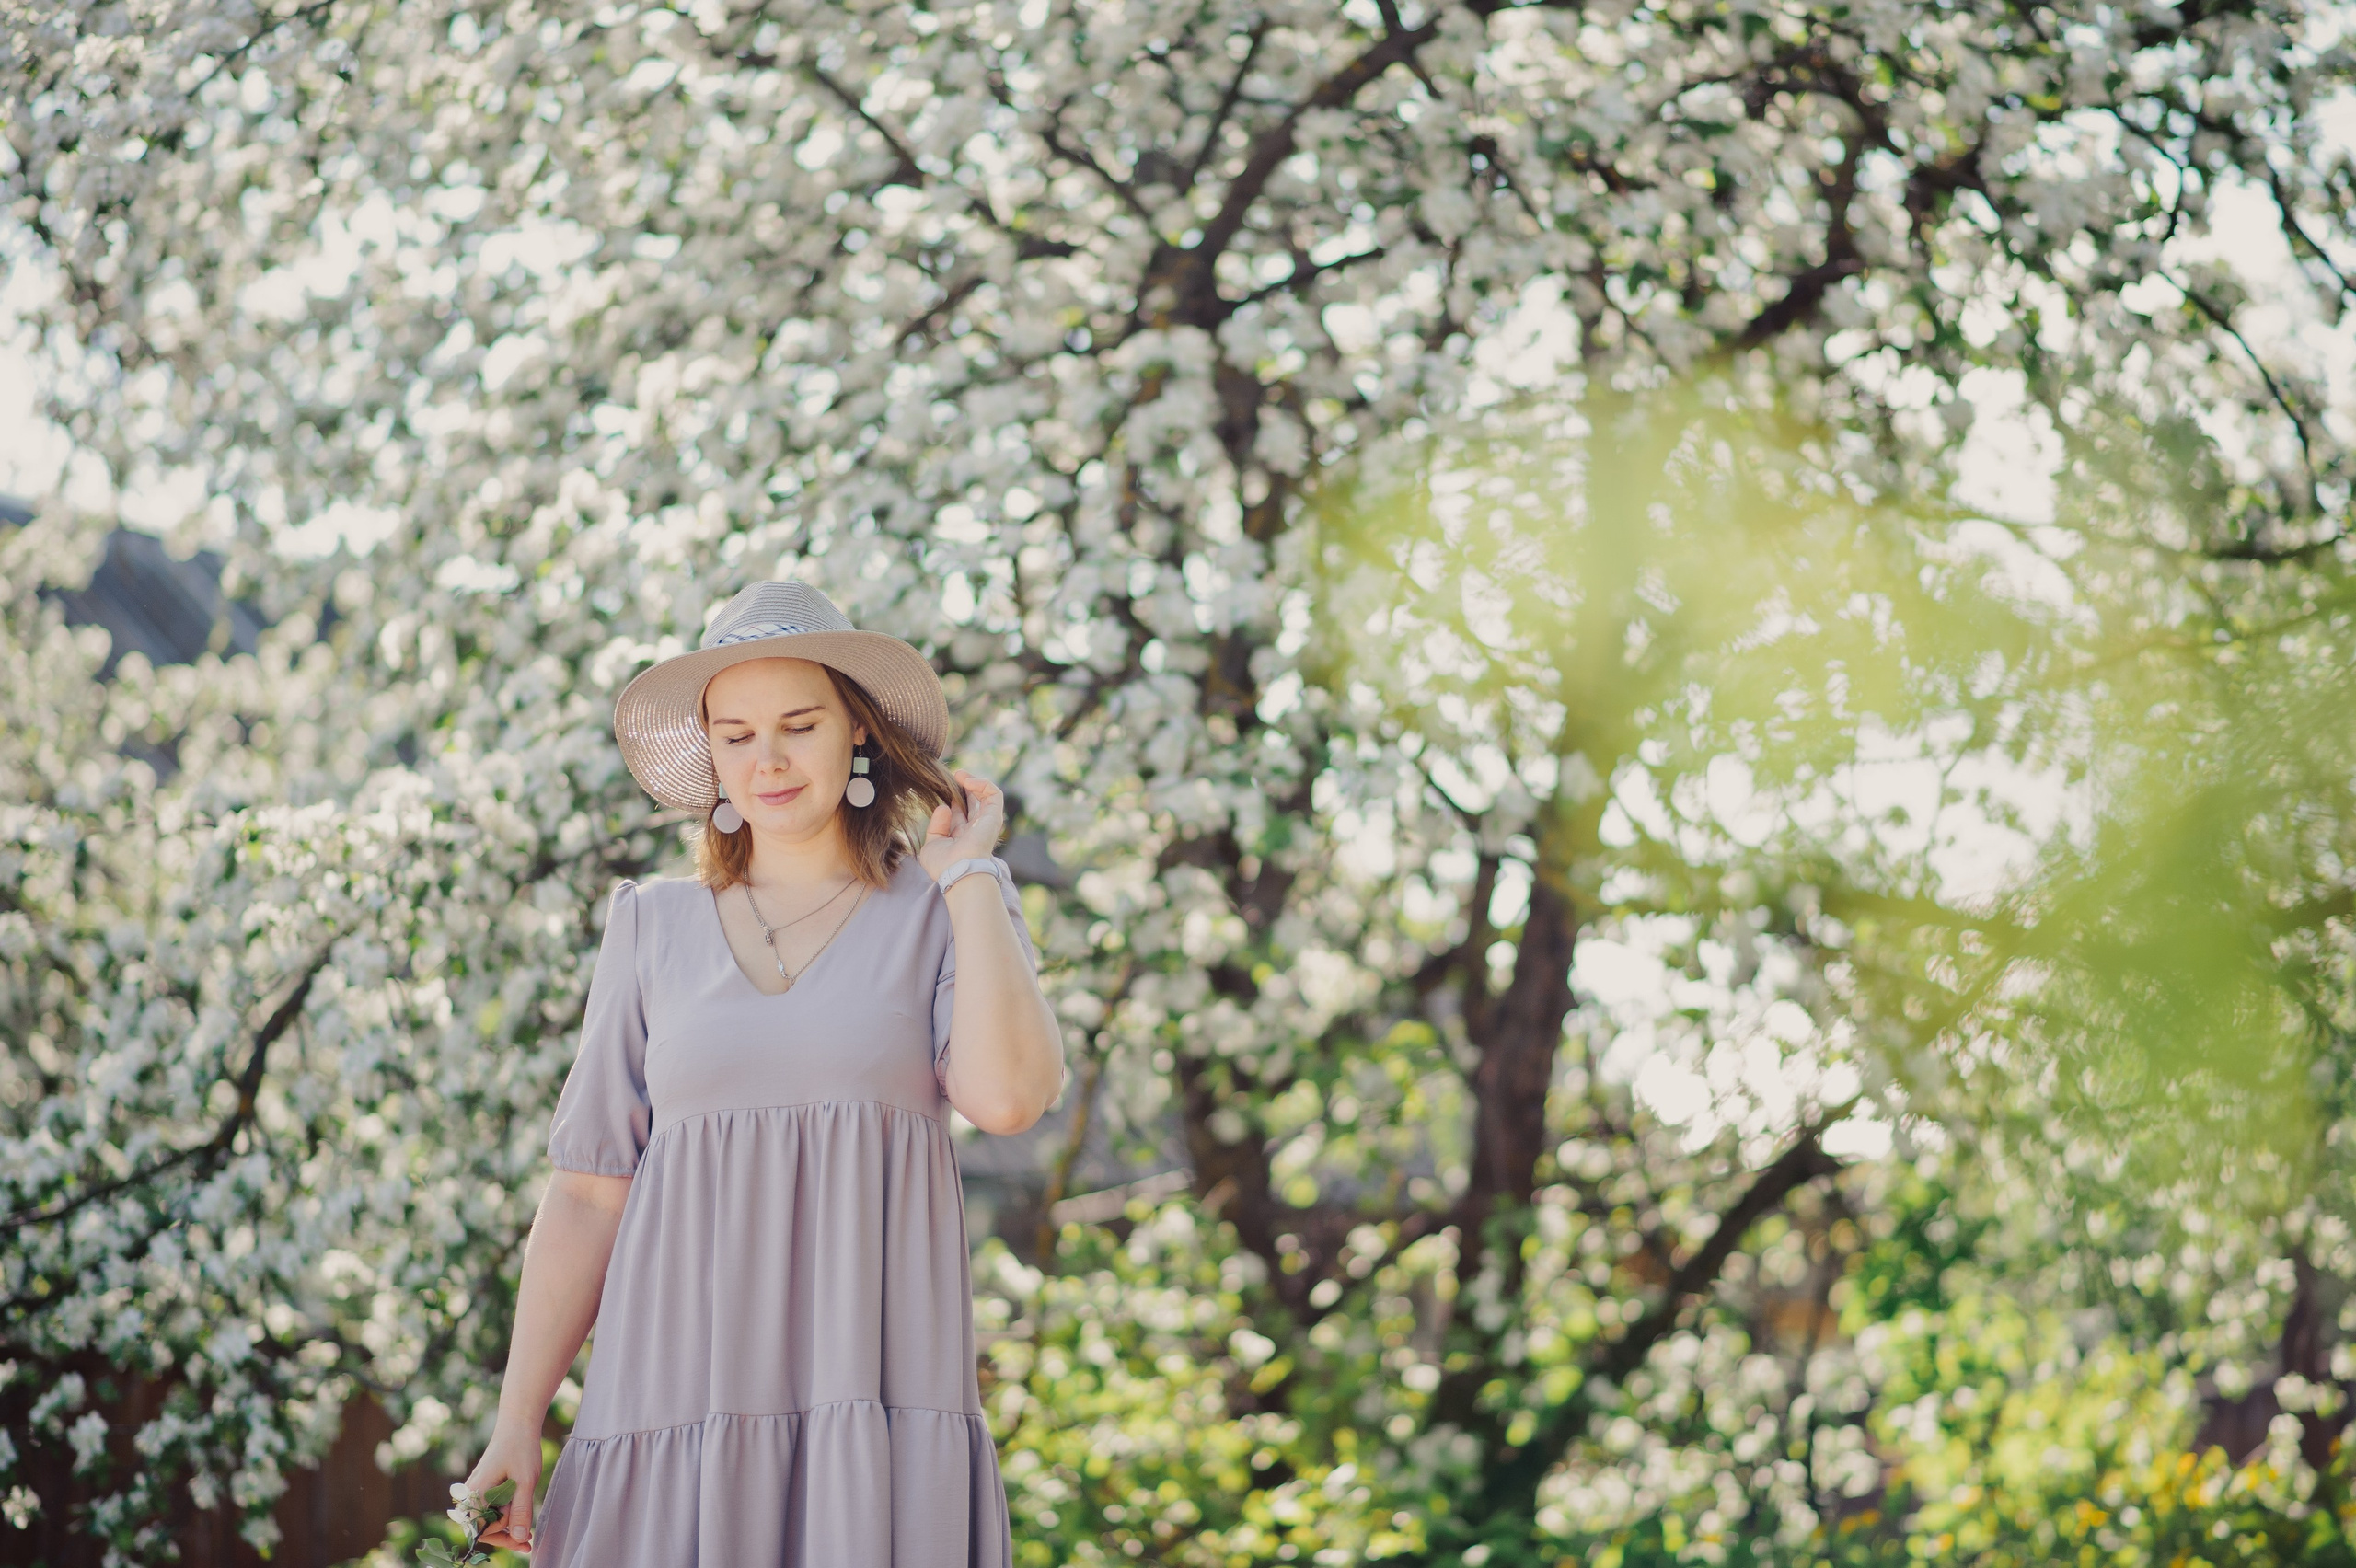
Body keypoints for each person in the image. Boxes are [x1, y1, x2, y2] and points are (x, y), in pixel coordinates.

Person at [460, 579, 1065, 1565]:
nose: (767, 761)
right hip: (671, 1405)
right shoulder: (650, 926)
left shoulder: (943, 909)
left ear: (857, 728)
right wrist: (518, 1419)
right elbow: (586, 1195)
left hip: (869, 1410)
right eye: (735, 735)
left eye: (798, 725)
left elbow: (1007, 1098)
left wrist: (969, 876)